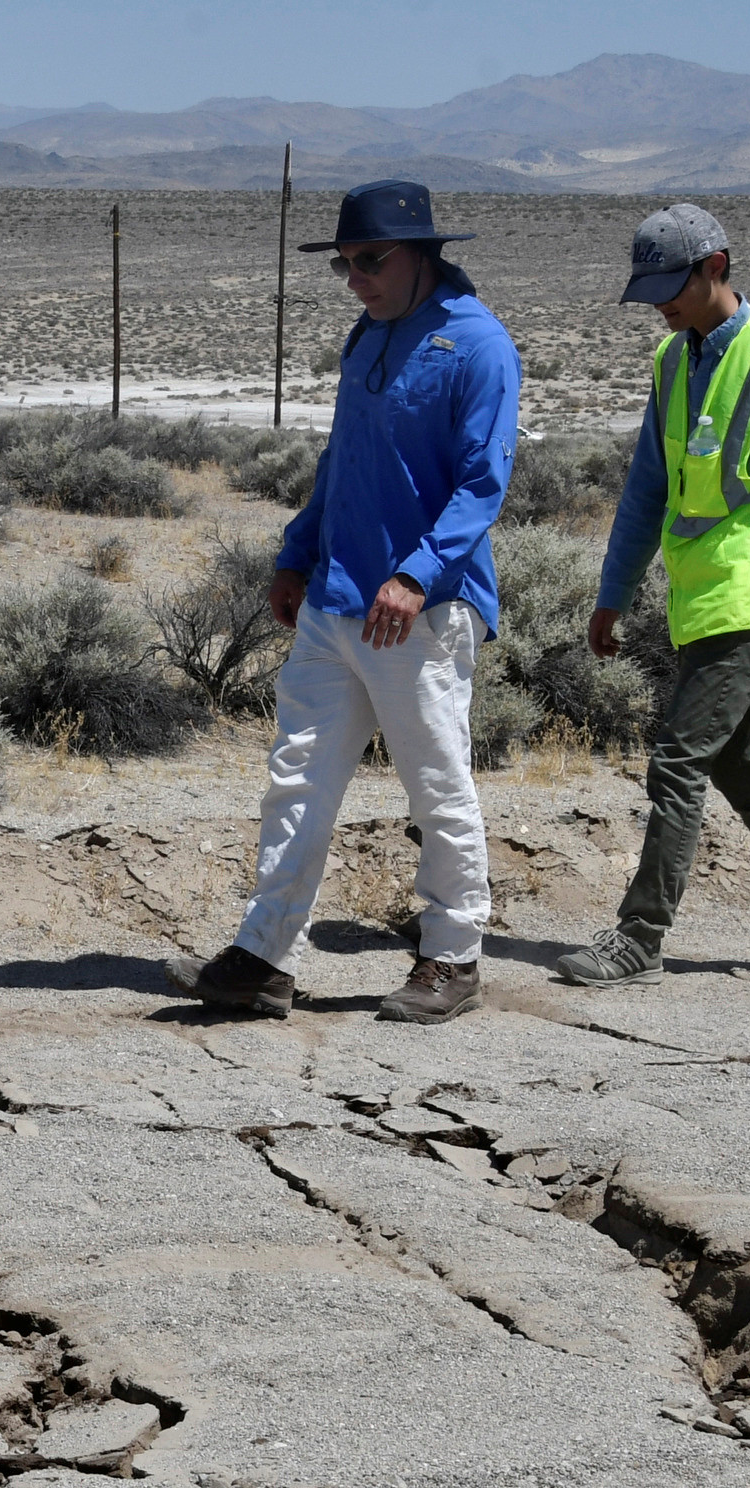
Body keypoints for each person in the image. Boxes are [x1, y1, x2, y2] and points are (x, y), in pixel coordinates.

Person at [167, 180, 520, 1025]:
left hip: (420, 613)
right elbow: (343, 461)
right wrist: (297, 552)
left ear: (422, 255)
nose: (355, 277)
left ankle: (453, 954)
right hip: (336, 601)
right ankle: (265, 954)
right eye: (345, 263)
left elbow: (483, 483)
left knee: (435, 782)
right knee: (298, 778)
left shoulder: (479, 347)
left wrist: (417, 574)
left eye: (371, 260)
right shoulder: (367, 339)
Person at [556, 204, 750, 988]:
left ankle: (639, 936)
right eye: (651, 288)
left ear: (717, 266)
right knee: (731, 762)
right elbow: (644, 491)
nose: (661, 303)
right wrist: (612, 594)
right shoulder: (672, 361)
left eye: (673, 285)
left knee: (677, 759)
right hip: (700, 598)